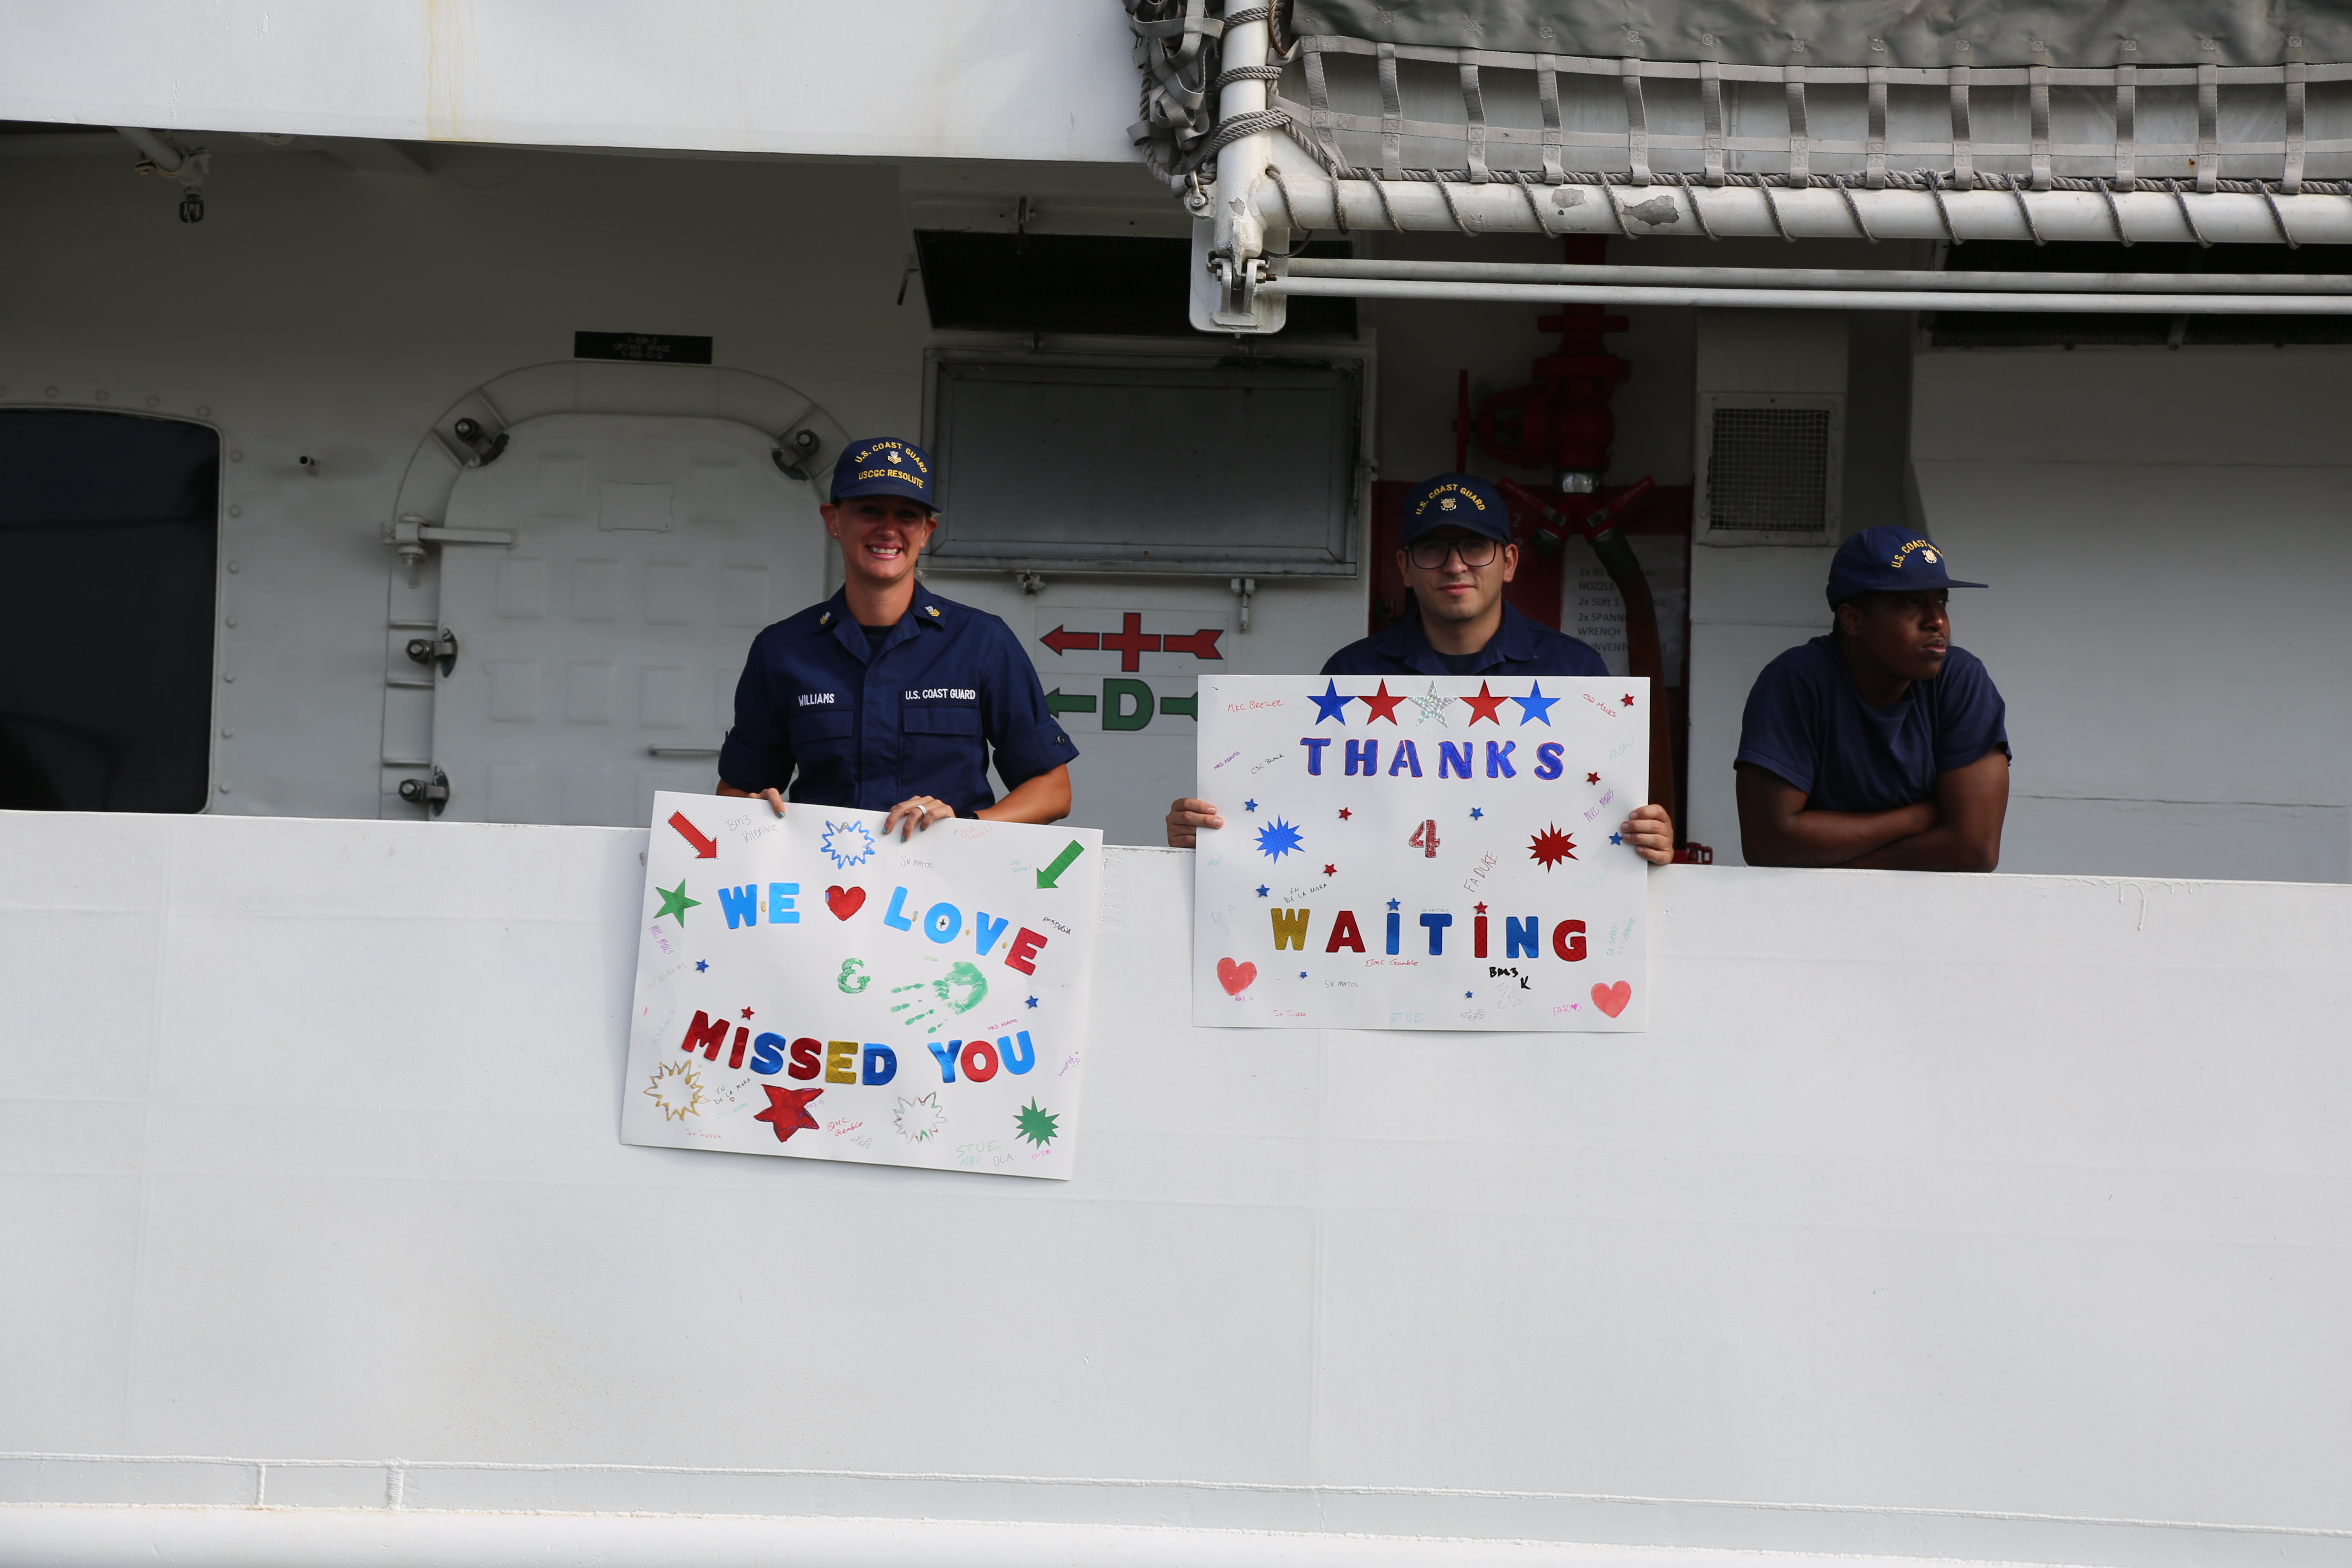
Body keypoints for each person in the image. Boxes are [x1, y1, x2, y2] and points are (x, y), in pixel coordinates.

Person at [1165, 472, 1674, 861]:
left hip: (1523, 927)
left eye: (1475, 546)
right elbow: (1310, 806)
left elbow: (1602, 811)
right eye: (1433, 548)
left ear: (1509, 562)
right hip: (1389, 927)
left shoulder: (1575, 672)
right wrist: (1217, 829)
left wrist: (1647, 838)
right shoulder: (1354, 673)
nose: (1455, 566)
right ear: (1405, 568)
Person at [716, 437, 1076, 839]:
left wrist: (965, 826)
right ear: (833, 520)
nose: (888, 530)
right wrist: (752, 811)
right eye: (869, 510)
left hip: (947, 876)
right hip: (821, 872)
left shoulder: (980, 642)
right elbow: (736, 790)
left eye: (907, 515)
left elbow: (1053, 791)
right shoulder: (783, 650)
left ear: (926, 532)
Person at [1734, 526, 2009, 871]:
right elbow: (1768, 844)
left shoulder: (1960, 679)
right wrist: (1921, 816)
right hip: (1815, 903)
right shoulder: (1797, 680)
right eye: (1912, 603)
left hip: (1926, 904)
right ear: (1852, 619)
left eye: (1941, 602)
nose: (1937, 621)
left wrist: (1841, 867)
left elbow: (1975, 848)